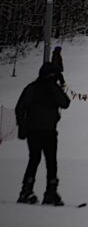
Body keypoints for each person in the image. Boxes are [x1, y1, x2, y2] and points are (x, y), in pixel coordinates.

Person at [14, 63, 71, 205]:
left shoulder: (36, 88)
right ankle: (30, 191)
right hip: (38, 130)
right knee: (39, 160)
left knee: (46, 161)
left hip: (46, 130)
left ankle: (46, 191)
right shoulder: (35, 88)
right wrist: (22, 126)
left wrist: (22, 126)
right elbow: (20, 108)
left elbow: (65, 103)